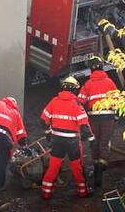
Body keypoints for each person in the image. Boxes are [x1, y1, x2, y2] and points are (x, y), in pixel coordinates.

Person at [40, 76, 95, 199]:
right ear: (74, 89)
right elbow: (84, 126)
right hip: (72, 142)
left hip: (57, 140)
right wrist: (91, 140)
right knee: (76, 167)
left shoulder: (54, 101)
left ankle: (46, 191)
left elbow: (43, 120)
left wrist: (48, 133)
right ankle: (82, 191)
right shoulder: (76, 104)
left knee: (54, 166)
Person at [78, 56, 118, 187]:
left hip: (93, 119)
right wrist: (116, 116)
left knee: (94, 142)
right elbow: (118, 101)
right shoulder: (110, 82)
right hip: (108, 118)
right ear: (102, 68)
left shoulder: (88, 84)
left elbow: (80, 102)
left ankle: (96, 168)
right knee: (104, 142)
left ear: (91, 70)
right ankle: (102, 167)